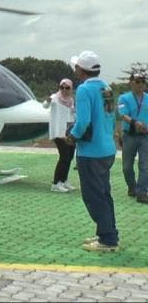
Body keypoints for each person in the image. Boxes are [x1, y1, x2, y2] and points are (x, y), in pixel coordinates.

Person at [67, 50, 118, 252]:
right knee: (104, 194)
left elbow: (83, 121)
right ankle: (108, 232)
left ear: (82, 70)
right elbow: (111, 117)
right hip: (107, 149)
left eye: (77, 67)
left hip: (91, 152)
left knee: (93, 196)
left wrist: (72, 136)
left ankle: (107, 239)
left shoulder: (84, 90)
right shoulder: (107, 88)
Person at [117, 72, 148, 202]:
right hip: (129, 135)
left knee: (145, 165)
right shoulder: (123, 98)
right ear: (131, 83)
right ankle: (132, 187)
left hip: (145, 136)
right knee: (127, 167)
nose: (140, 84)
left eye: (142, 81)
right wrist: (135, 123)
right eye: (137, 81)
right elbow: (123, 115)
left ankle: (142, 192)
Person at [43, 78, 77, 193]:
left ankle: (64, 180)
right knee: (64, 157)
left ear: (71, 89)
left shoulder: (71, 100)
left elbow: (73, 114)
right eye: (61, 87)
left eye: (67, 88)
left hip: (69, 132)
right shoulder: (55, 97)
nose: (64, 90)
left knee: (70, 157)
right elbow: (45, 106)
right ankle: (56, 183)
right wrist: (47, 101)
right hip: (58, 132)